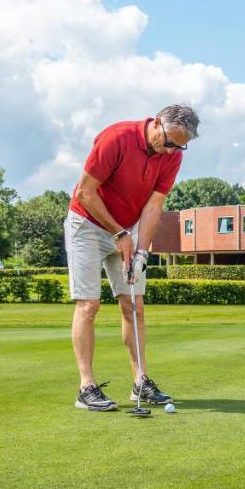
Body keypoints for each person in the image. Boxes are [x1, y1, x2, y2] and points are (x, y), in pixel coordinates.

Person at [65, 104, 198, 411]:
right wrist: (118, 233)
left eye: (178, 146)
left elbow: (153, 207)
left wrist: (142, 252)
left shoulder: (172, 155)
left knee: (134, 304)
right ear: (156, 123)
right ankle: (86, 387)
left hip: (129, 228)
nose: (170, 150)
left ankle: (141, 381)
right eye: (168, 141)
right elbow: (86, 192)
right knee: (89, 303)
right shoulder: (118, 137)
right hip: (87, 223)